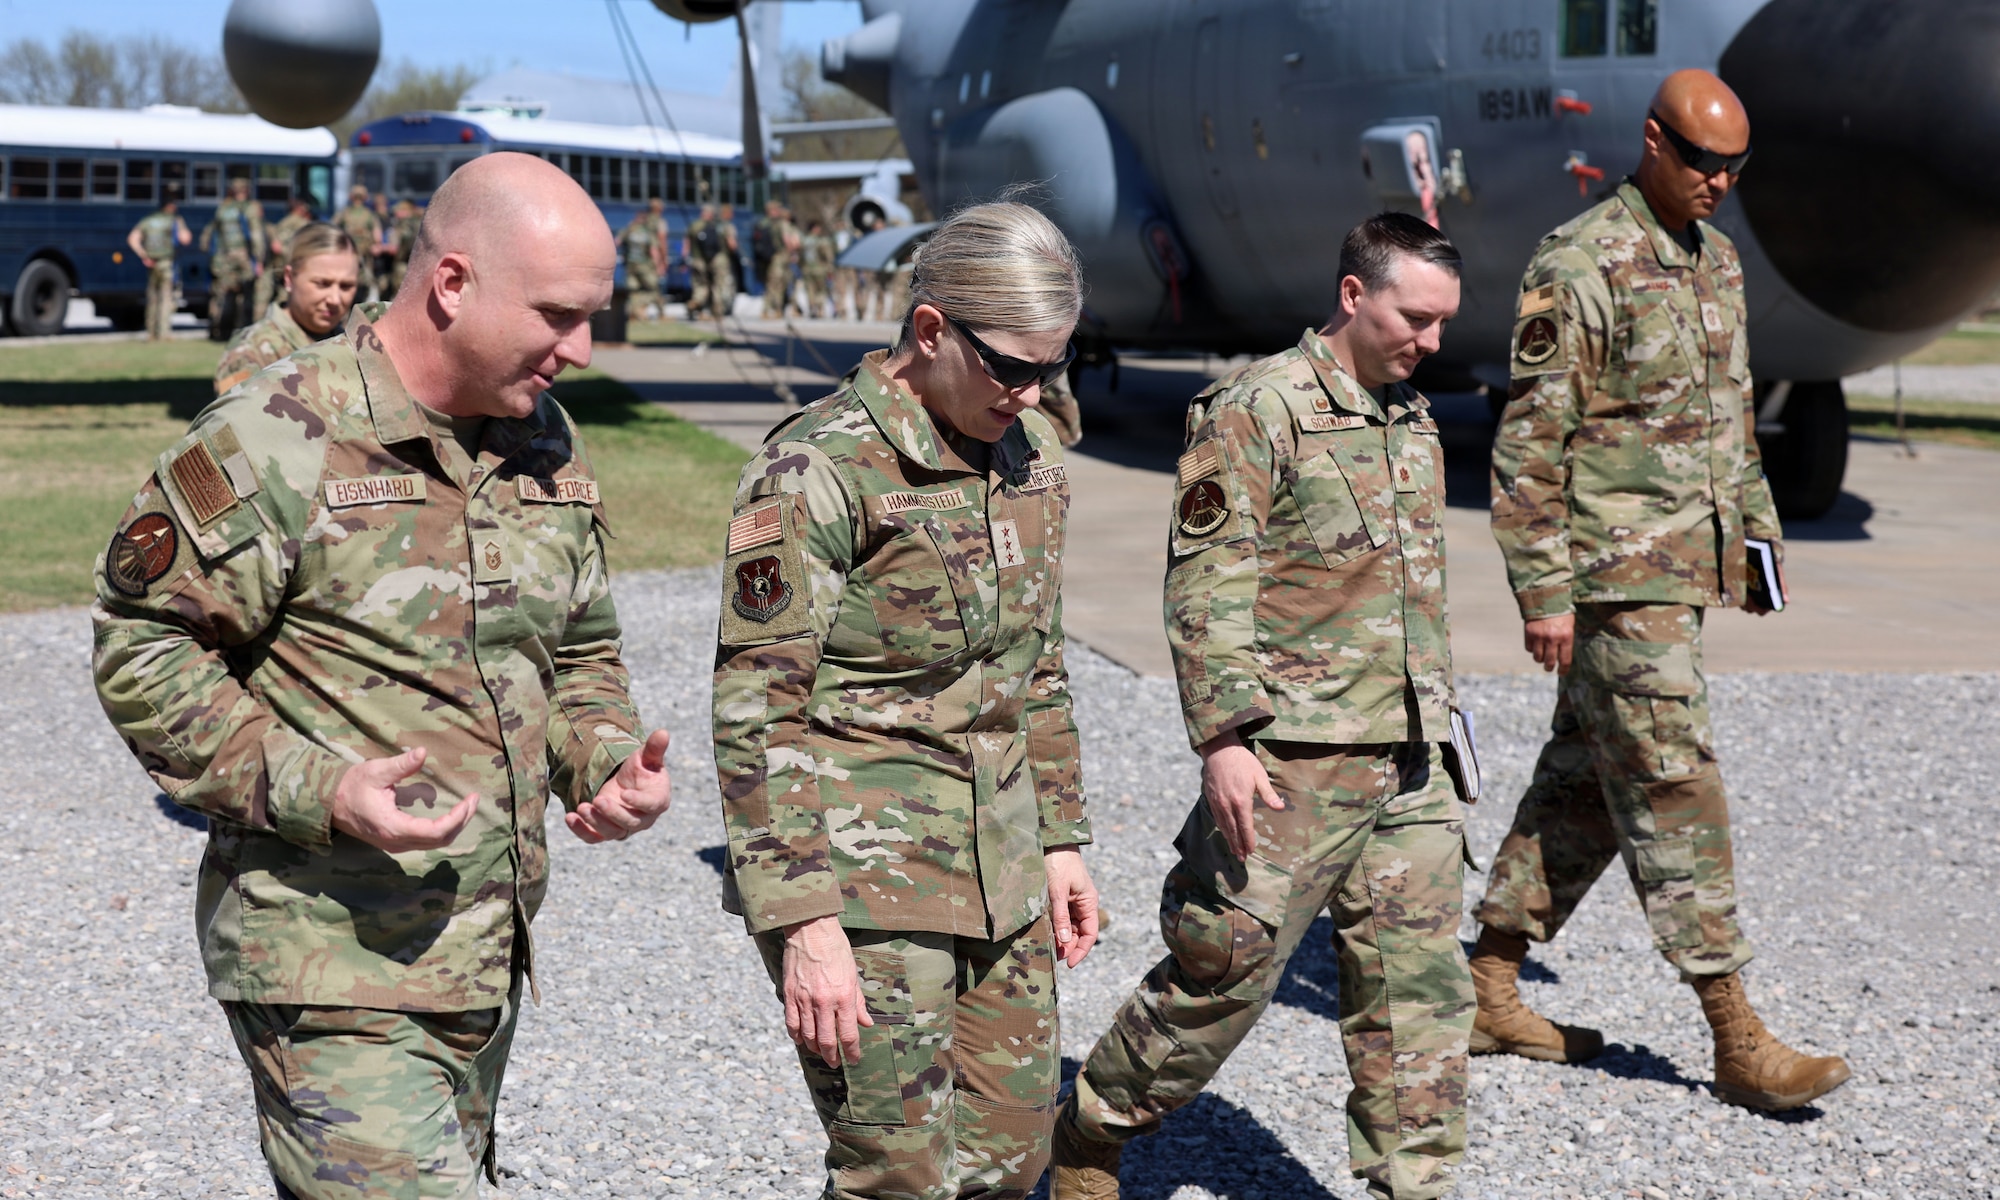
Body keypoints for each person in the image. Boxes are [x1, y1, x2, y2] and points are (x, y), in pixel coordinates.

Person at [92, 152, 676, 1198]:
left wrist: (598, 759)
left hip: (481, 953)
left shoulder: (540, 439)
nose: (581, 350)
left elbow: (577, 644)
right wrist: (319, 786)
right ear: (452, 283)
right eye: (555, 315)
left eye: (592, 316)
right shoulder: (277, 434)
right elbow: (142, 643)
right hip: (324, 959)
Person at [1052, 213, 1474, 1200]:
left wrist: (1438, 715)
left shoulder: (1408, 417)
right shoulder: (1258, 408)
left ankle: (1411, 1185)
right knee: (1222, 969)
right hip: (1292, 758)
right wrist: (1225, 736)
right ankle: (1092, 1125)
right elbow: (1206, 580)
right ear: (1351, 295)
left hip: (1407, 757)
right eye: (1414, 317)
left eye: (1443, 323)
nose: (1431, 341)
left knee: (1415, 993)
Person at [1475, 69, 1850, 1112]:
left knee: (1586, 783)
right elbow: (1527, 447)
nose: (1715, 183)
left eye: (1732, 168)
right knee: (1672, 779)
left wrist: (1758, 549)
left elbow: (1728, 425)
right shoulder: (1578, 261)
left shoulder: (1713, 262)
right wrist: (1540, 591)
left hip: (1682, 572)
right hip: (1608, 580)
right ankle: (1734, 1033)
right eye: (1698, 161)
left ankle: (1487, 981)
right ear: (1649, 141)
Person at [712, 199, 1099, 1200]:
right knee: (897, 1175)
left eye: (1048, 371)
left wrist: (1057, 838)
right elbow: (758, 711)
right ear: (930, 331)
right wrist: (803, 925)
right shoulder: (814, 469)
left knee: (1012, 1163)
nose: (1027, 394)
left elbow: (1036, 665)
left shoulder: (1026, 458)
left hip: (1001, 866)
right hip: (866, 886)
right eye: (1010, 368)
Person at [213, 222, 360, 395]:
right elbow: (233, 419)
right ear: (289, 278)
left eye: (346, 286)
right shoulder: (249, 353)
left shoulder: (353, 349)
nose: (335, 299)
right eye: (322, 284)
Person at [200, 176, 266, 341]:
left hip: (223, 258)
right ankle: (242, 331)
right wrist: (259, 259)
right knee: (246, 295)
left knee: (222, 295)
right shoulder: (249, 208)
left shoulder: (223, 209)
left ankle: (218, 331)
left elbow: (209, 235)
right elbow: (256, 235)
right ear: (246, 190)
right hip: (243, 258)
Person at [126, 192, 191, 341]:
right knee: (166, 298)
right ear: (170, 206)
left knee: (152, 298)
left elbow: (132, 238)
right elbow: (185, 239)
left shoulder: (148, 220)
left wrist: (144, 255)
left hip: (151, 263)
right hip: (166, 263)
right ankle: (164, 333)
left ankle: (151, 332)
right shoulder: (174, 220)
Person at [618, 196, 670, 323]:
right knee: (654, 288)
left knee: (635, 289)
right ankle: (658, 313)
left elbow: (619, 240)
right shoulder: (659, 222)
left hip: (631, 262)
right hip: (649, 262)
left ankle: (634, 313)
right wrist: (663, 261)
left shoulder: (639, 222)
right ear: (660, 209)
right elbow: (661, 244)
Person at [262, 196, 315, 310]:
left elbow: (276, 246)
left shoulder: (282, 223)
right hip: (296, 266)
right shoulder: (302, 223)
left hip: (280, 266)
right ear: (300, 209)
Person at [335, 184, 383, 301]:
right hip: (364, 257)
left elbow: (333, 231)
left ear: (351, 197)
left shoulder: (344, 214)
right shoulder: (370, 215)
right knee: (363, 285)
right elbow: (378, 237)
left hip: (346, 255)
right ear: (365, 198)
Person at [756, 200, 801, 319]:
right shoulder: (782, 224)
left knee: (770, 284)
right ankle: (777, 309)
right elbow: (790, 241)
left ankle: (766, 310)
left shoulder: (763, 223)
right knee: (780, 285)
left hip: (766, 258)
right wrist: (793, 253)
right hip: (780, 258)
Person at [684, 202, 718, 318]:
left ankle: (699, 311)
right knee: (705, 286)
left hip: (693, 259)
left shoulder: (693, 225)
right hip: (704, 261)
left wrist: (684, 257)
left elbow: (686, 243)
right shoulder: (711, 226)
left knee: (696, 285)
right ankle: (695, 303)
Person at [800, 218, 836, 319]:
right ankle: (819, 309)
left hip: (807, 269)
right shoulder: (822, 241)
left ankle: (813, 308)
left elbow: (800, 256)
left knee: (810, 289)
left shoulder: (804, 241)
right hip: (819, 269)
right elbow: (828, 256)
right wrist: (830, 268)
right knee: (820, 290)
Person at [709, 202, 740, 318]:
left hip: (711, 258)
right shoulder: (728, 226)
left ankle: (714, 306)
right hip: (723, 258)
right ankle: (720, 308)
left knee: (715, 283)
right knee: (723, 283)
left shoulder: (713, 225)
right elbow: (732, 244)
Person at [390, 197, 424, 296]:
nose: (397, 214)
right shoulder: (422, 221)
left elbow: (401, 247)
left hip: (405, 265)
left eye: (400, 211)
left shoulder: (406, 224)